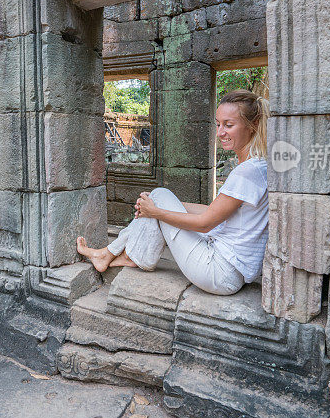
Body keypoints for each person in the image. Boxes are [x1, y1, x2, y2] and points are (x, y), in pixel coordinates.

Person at [77, 89, 269, 296]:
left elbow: (205, 224)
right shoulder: (259, 166)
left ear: (253, 125)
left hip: (219, 272)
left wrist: (156, 213)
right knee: (157, 197)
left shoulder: (247, 173)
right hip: (231, 270)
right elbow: (215, 211)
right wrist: (161, 206)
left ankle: (114, 255)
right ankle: (116, 254)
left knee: (157, 197)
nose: (220, 132)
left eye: (229, 125)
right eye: (218, 123)